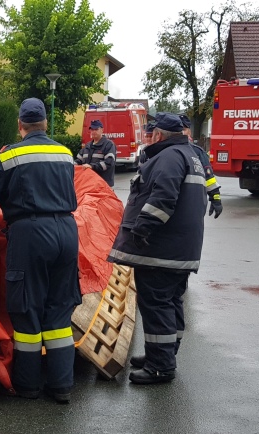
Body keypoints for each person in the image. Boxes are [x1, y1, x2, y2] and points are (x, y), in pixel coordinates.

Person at [0, 98, 80, 403]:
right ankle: (62, 386)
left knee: (26, 309)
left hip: (31, 234)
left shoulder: (11, 155)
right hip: (67, 231)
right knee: (59, 311)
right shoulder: (64, 153)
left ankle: (28, 385)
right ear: (45, 124)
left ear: (20, 125)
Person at [107, 113, 207, 385]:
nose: (149, 138)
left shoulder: (169, 157)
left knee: (156, 304)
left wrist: (143, 229)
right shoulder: (190, 156)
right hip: (180, 249)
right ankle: (162, 354)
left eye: (151, 134)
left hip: (160, 249)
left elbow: (163, 197)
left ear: (159, 135)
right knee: (171, 301)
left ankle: (160, 366)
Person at [179, 115, 223, 219]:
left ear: (189, 132)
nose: (180, 132)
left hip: (192, 204)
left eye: (183, 129)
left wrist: (216, 198)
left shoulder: (197, 152)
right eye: (177, 129)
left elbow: (209, 178)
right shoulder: (163, 151)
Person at [75, 119, 117, 186]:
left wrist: (92, 166)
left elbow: (109, 163)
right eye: (92, 130)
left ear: (102, 130)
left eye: (96, 129)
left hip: (103, 184)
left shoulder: (109, 144)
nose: (94, 131)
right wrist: (69, 165)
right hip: (88, 183)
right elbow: (79, 161)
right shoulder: (88, 146)